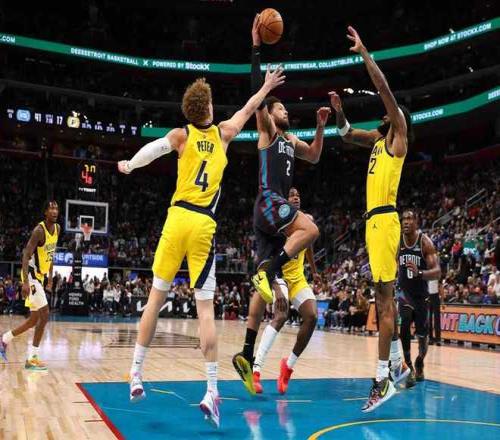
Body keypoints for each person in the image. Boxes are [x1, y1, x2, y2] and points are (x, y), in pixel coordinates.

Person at [117, 66, 285, 428]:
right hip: (203, 224)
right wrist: (267, 86)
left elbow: (151, 151)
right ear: (207, 106)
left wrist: (129, 165)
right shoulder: (224, 133)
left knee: (155, 299)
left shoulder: (181, 135)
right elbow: (248, 108)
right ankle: (211, 391)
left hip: (176, 218)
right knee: (205, 310)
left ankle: (135, 374)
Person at [233, 15, 330, 395]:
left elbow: (316, 156)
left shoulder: (291, 141)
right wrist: (256, 49)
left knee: (272, 296)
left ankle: (247, 355)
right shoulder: (269, 131)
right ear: (270, 114)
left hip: (272, 221)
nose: (285, 112)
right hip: (269, 202)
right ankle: (271, 271)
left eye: (285, 109)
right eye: (280, 108)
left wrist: (320, 124)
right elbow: (257, 99)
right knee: (311, 228)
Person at [331, 26, 414, 412]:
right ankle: (397, 363)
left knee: (383, 302)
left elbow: (384, 89)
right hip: (374, 223)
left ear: (398, 119)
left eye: (389, 112)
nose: (383, 112)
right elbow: (347, 135)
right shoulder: (377, 141)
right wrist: (339, 113)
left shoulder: (398, 137)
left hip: (384, 221)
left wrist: (365, 53)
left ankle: (382, 379)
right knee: (383, 298)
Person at [249, 188, 321, 395]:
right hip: (278, 273)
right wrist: (273, 284)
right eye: (291, 195)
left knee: (312, 316)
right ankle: (256, 369)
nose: (296, 197)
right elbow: (266, 257)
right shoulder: (275, 223)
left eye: (298, 195)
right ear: (283, 201)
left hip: (297, 278)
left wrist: (314, 271)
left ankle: (287, 367)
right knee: (280, 315)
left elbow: (309, 246)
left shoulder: (306, 221)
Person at [0, 201, 60, 369]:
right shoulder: (39, 231)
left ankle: (4, 339)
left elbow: (51, 254)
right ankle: (32, 358)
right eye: (51, 208)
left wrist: (50, 277)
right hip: (31, 276)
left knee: (34, 320)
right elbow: (26, 255)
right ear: (45, 212)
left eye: (56, 208)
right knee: (45, 314)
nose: (54, 211)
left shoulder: (58, 229)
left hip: (40, 277)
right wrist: (25, 282)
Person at [397, 210, 441, 387]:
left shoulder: (425, 242)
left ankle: (419, 361)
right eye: (403, 219)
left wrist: (420, 273)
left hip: (421, 295)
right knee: (405, 323)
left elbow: (437, 272)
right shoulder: (397, 241)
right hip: (404, 293)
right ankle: (408, 367)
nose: (406, 222)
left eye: (409, 219)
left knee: (423, 336)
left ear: (416, 222)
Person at [428, 279, 442, 345]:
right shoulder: (425, 275)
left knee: (437, 318)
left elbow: (440, 286)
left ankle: (438, 339)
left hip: (435, 296)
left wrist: (442, 300)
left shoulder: (437, 275)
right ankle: (430, 338)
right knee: (429, 319)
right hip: (428, 296)